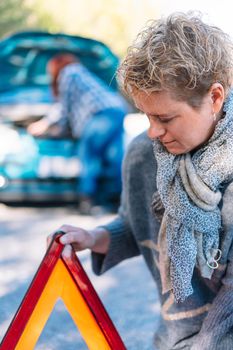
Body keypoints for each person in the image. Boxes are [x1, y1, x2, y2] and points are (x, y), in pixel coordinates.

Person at [47, 13, 233, 349]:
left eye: (165, 117)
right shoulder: (143, 155)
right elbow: (135, 228)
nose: (152, 131)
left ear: (215, 98)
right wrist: (92, 237)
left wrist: (207, 344)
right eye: (146, 115)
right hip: (173, 338)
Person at [28, 54, 128, 213]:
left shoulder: (69, 73)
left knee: (88, 154)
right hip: (117, 110)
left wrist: (44, 124)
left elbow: (64, 108)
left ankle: (86, 200)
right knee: (113, 157)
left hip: (100, 114)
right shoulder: (80, 72)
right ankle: (117, 201)